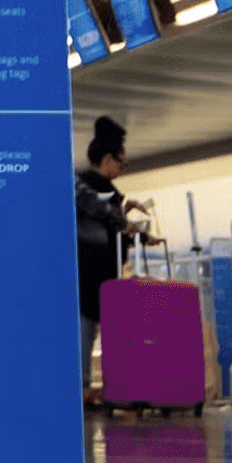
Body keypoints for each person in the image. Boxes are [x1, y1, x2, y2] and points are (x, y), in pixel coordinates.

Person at [76, 115, 145, 399]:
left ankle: (94, 387)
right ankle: (87, 389)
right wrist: (124, 225)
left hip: (96, 275)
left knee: (92, 332)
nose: (122, 168)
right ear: (107, 158)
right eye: (121, 162)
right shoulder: (89, 189)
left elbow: (109, 230)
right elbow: (100, 232)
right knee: (89, 331)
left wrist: (129, 227)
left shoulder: (97, 190)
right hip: (90, 275)